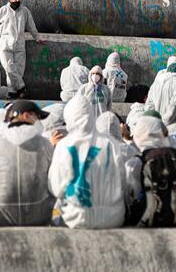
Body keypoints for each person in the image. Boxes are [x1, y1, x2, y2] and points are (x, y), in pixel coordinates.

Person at [49, 95, 125, 228]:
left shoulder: (64, 145)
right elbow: (123, 181)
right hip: (113, 217)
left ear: (69, 117)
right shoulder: (111, 143)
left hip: (76, 217)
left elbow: (56, 188)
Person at [0, 100, 56, 226]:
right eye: (37, 117)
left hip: (1, 215)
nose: (39, 122)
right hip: (39, 215)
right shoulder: (45, 144)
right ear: (26, 116)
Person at [145, 59, 176, 127]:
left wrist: (156, 122)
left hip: (156, 126)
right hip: (174, 126)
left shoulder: (156, 83)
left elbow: (149, 105)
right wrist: (164, 122)